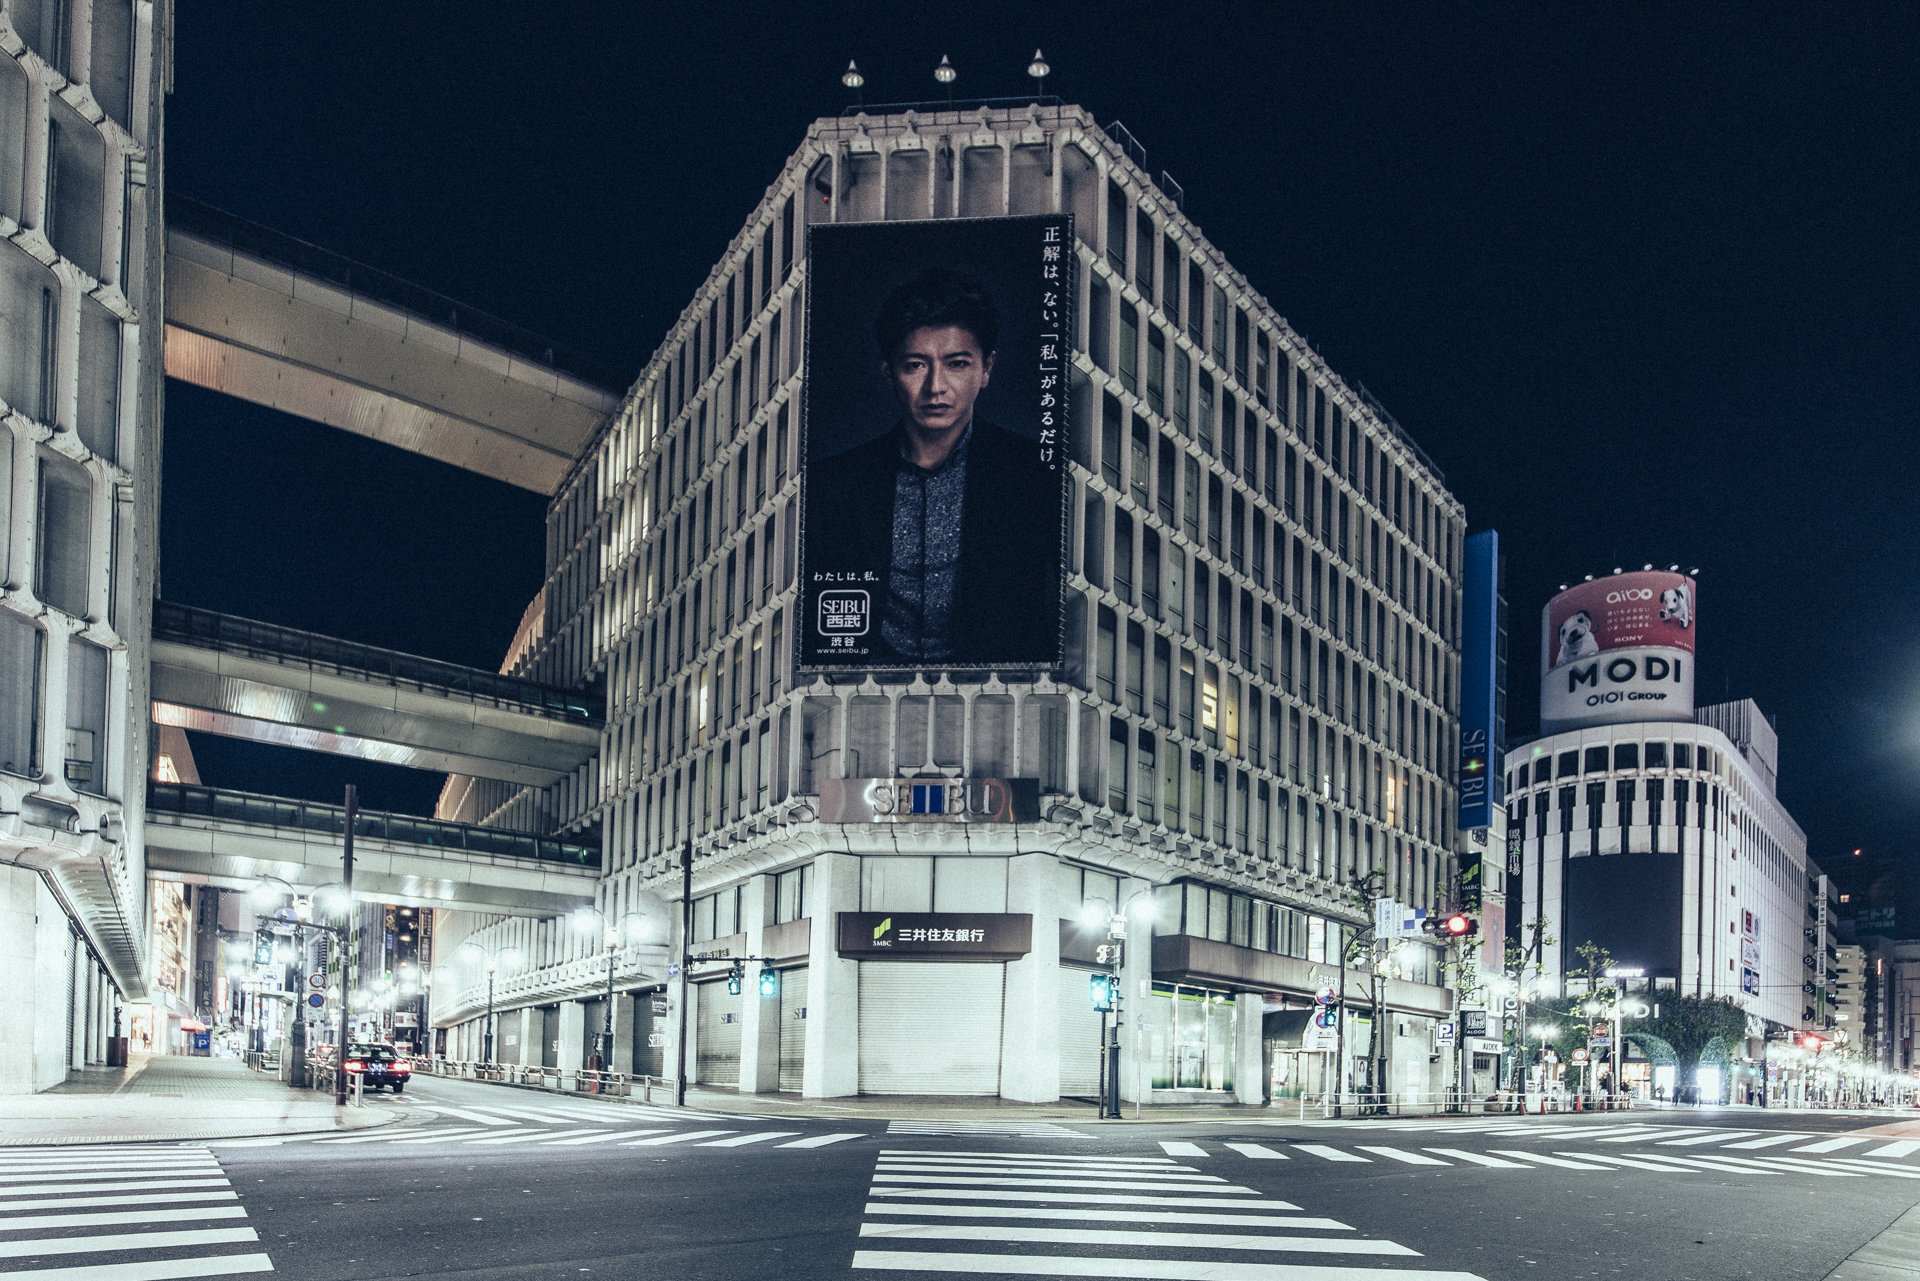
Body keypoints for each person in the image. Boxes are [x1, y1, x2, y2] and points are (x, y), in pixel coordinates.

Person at [806, 267, 1059, 665]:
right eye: (915, 365)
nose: (936, 387)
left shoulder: (1037, 473)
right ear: (889, 373)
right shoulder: (833, 484)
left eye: (957, 363)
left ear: (986, 369)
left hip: (1001, 702)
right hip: (862, 703)